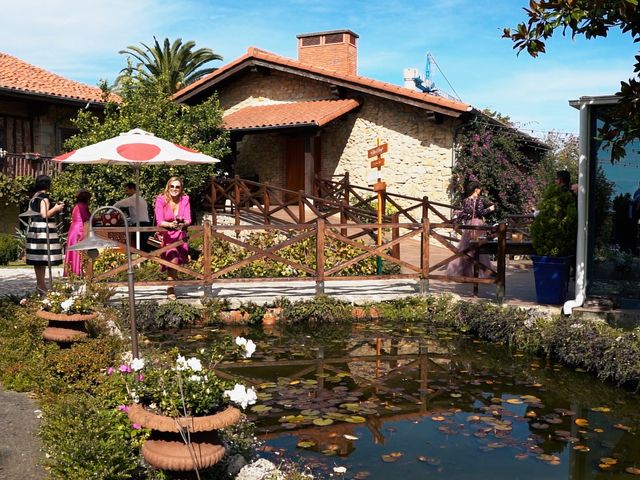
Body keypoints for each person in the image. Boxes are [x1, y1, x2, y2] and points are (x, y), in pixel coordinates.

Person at [446, 181, 496, 278]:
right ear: (476, 189)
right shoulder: (479, 200)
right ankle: (480, 271)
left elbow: (465, 213)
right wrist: (491, 209)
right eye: (479, 189)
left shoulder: (465, 200)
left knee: (466, 248)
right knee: (478, 248)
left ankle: (462, 270)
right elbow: (480, 212)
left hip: (469, 224)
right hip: (478, 225)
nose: (480, 190)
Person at [25, 175, 64, 295]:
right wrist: (56, 208)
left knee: (38, 260)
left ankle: (40, 286)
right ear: (48, 185)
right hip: (43, 230)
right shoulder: (44, 198)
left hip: (34, 229)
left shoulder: (34, 197)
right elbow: (44, 214)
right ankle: (42, 287)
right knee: (43, 258)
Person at [154, 176, 191, 300]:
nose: (174, 189)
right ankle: (170, 289)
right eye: (172, 186)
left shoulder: (185, 200)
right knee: (173, 259)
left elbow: (188, 219)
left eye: (177, 187)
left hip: (180, 235)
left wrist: (182, 222)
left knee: (176, 262)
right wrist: (170, 224)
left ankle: (172, 280)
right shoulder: (161, 200)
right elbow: (159, 221)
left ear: (181, 189)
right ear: (168, 187)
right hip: (166, 235)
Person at [113, 182, 152, 251]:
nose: (126, 193)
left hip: (140, 225)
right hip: (145, 224)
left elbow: (118, 204)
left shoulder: (134, 199)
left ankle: (144, 260)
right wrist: (127, 220)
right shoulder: (142, 199)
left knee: (140, 248)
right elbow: (137, 215)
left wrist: (108, 212)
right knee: (142, 247)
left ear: (132, 189)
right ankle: (145, 260)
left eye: (127, 190)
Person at [64, 189, 91, 276]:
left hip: (73, 229)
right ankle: (78, 271)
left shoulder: (77, 206)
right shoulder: (82, 206)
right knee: (79, 250)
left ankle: (72, 270)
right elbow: (87, 218)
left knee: (74, 250)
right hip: (79, 229)